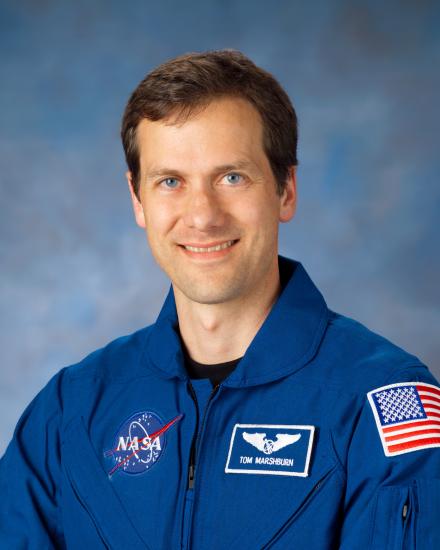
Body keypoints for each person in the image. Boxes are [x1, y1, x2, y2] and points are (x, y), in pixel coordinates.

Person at [0, 49, 439, 550]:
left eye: (232, 177)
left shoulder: (385, 403)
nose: (202, 216)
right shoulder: (70, 411)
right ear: (137, 199)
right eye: (171, 182)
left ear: (286, 189)